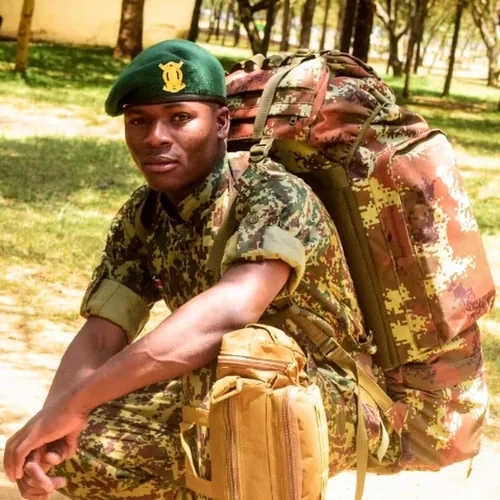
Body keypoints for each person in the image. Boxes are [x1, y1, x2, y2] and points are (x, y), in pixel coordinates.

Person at [4, 40, 488, 500]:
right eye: (139, 121)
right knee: (80, 453)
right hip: (234, 383)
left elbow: (229, 314)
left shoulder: (272, 193)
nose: (156, 138)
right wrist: (53, 422)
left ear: (220, 123)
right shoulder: (145, 213)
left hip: (342, 397)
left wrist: (76, 403)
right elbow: (101, 335)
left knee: (239, 407)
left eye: (179, 118)